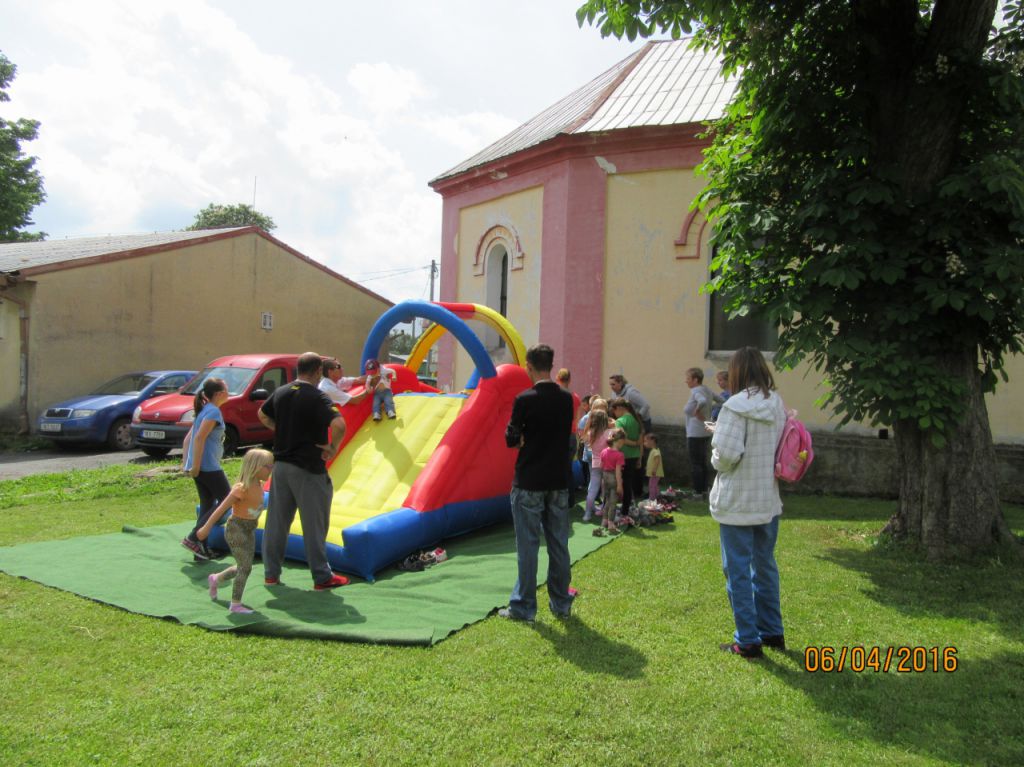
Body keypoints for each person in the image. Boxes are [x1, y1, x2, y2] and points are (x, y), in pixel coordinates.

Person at [711, 347, 787, 658]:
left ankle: (748, 639)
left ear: (737, 372)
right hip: (766, 498)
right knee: (764, 565)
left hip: (738, 502)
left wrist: (715, 451)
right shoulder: (776, 403)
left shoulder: (734, 406)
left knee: (738, 570)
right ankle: (771, 631)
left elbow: (726, 456)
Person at [259, 352, 349, 590]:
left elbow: (262, 414)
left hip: (281, 468)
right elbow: (339, 424)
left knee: (277, 523)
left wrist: (281, 429)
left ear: (298, 369)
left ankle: (271, 574)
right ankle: (322, 576)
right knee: (314, 524)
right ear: (318, 371)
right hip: (308, 468)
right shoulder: (317, 396)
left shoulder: (281, 392)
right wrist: (332, 448)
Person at [499, 344, 575, 622]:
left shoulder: (524, 399)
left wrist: (522, 437)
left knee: (528, 546)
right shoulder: (567, 399)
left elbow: (511, 438)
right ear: (551, 366)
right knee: (559, 543)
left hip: (529, 479)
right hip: (558, 479)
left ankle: (524, 606)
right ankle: (561, 602)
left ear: (529, 366)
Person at [197, 448, 275, 614]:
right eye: (268, 466)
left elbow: (255, 506)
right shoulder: (241, 488)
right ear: (256, 467)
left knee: (243, 566)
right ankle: (235, 604)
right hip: (236, 529)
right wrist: (206, 528)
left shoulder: (259, 485)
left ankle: (216, 578)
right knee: (245, 567)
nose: (271, 470)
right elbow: (220, 509)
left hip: (249, 530)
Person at [180, 377, 230, 561]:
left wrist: (187, 464)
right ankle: (193, 538)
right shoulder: (213, 412)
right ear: (219, 394)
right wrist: (194, 465)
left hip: (201, 466)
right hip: (208, 467)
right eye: (226, 390)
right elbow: (199, 438)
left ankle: (200, 550)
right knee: (227, 500)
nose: (228, 393)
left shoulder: (204, 410)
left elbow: (188, 438)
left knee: (207, 504)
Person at [683, 367, 715, 499]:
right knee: (702, 462)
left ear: (695, 380)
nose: (686, 381)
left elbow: (702, 401)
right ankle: (704, 490)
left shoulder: (696, 391)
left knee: (696, 463)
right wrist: (709, 415)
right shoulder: (707, 390)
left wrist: (697, 411)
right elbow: (722, 401)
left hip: (695, 433)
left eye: (688, 378)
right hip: (706, 431)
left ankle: (697, 492)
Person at [610, 397, 643, 517]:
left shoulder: (620, 421)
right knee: (628, 483)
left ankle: (622, 510)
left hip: (623, 456)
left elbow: (621, 439)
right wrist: (639, 456)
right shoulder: (636, 419)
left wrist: (633, 443)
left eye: (614, 411)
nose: (614, 414)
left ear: (619, 408)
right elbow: (640, 440)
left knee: (621, 484)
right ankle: (626, 508)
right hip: (634, 455)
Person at [582, 408, 610, 522]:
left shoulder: (589, 433)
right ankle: (604, 509)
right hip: (607, 463)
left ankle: (587, 513)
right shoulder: (609, 433)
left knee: (593, 487)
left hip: (595, 462)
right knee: (606, 487)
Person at [598, 427, 626, 535]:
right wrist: (620, 485)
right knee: (613, 503)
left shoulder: (604, 451)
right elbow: (618, 472)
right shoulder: (619, 455)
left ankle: (604, 521)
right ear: (619, 441)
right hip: (614, 479)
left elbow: (601, 467)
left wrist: (602, 480)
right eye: (623, 442)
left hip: (605, 478)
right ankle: (611, 524)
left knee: (607, 501)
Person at [645, 433, 664, 501]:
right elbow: (652, 461)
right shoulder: (654, 450)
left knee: (651, 485)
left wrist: (654, 470)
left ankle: (652, 499)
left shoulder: (655, 451)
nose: (645, 443)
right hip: (655, 473)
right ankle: (657, 497)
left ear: (652, 441)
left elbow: (657, 460)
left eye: (646, 441)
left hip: (655, 473)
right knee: (654, 485)